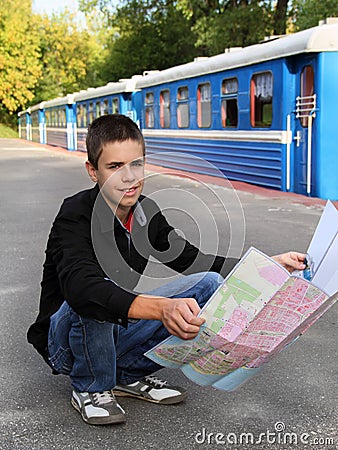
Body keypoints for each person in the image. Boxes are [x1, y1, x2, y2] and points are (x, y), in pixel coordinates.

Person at [27, 114, 306, 426]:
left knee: (208, 284)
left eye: (136, 164)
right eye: (115, 166)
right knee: (96, 288)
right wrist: (161, 309)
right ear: (93, 171)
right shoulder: (75, 213)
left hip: (113, 330)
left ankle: (124, 375)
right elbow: (81, 287)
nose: (129, 177)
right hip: (65, 342)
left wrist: (267, 266)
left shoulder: (146, 212)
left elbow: (194, 260)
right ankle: (91, 386)